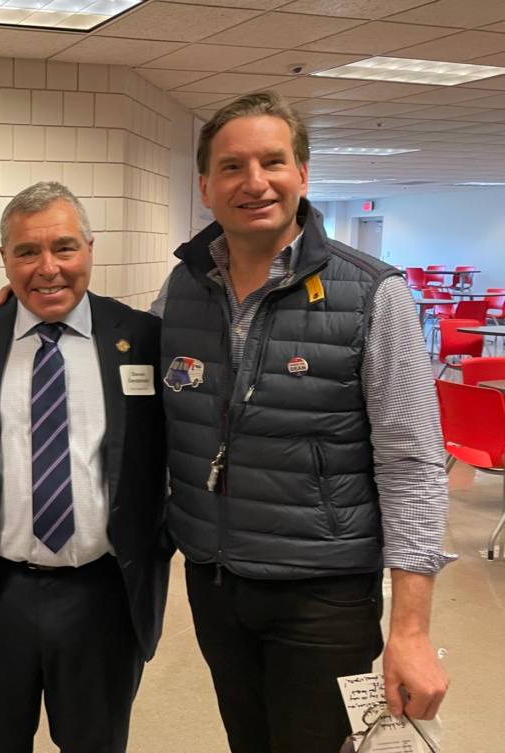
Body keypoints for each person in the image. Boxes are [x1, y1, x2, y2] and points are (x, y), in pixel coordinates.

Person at [150, 91, 452, 752]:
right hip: (216, 579)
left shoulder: (375, 293)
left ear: (303, 174)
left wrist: (410, 629)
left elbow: (412, 464)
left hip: (324, 595)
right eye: (232, 166)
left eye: (272, 161)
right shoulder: (180, 291)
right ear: (205, 186)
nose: (253, 181)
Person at [0, 181, 171, 753]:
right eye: (26, 252)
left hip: (104, 595)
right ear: (4, 259)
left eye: (64, 248)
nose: (48, 268)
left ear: (90, 248)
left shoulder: (141, 337)